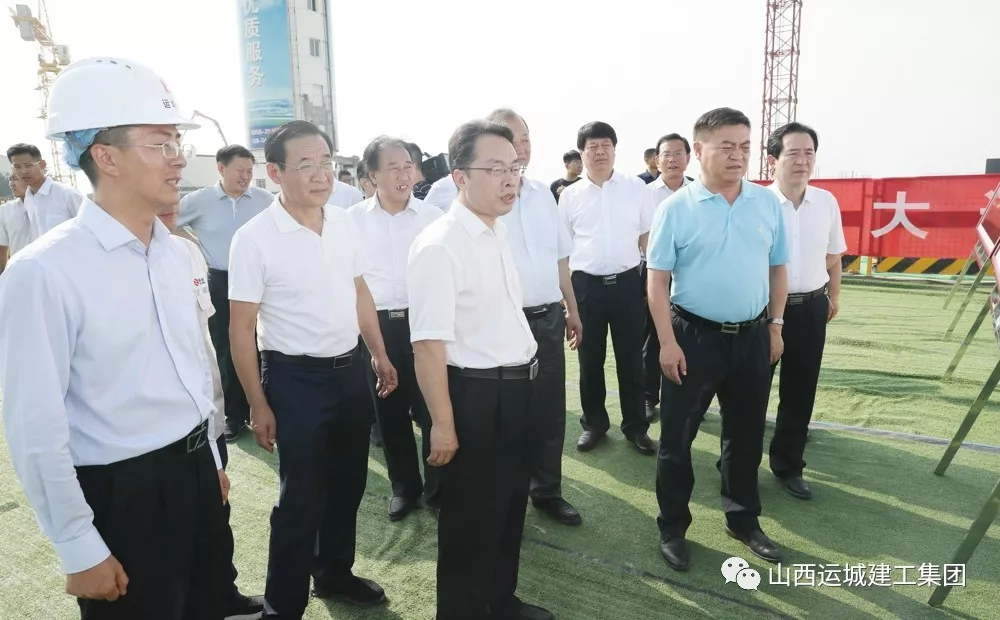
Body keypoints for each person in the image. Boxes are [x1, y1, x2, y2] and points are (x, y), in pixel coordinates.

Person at [0, 56, 228, 619]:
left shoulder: (175, 253)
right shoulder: (43, 272)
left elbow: (190, 368)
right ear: (106, 157)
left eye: (178, 141)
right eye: (160, 143)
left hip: (196, 474)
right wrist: (77, 544)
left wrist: (211, 457)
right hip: (123, 496)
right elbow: (35, 424)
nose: (179, 157)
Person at [228, 120, 397, 619]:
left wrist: (379, 353)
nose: (321, 174)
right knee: (300, 497)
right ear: (275, 172)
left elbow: (359, 292)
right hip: (294, 379)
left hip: (350, 372)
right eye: (306, 165)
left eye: (326, 161)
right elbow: (241, 329)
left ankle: (334, 573)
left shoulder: (343, 222)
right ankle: (282, 606)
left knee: (349, 483)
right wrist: (257, 403)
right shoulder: (254, 239)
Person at [408, 119, 552, 620]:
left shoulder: (495, 230)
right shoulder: (441, 244)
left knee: (509, 508)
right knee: (470, 523)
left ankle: (500, 601)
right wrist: (443, 424)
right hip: (474, 397)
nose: (510, 179)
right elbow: (428, 344)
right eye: (495, 169)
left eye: (514, 168)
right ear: (460, 176)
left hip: (517, 392)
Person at [646, 107, 789, 571]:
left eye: (745, 146)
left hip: (752, 337)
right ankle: (672, 526)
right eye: (726, 146)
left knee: (745, 434)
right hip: (692, 338)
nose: (738, 155)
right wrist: (667, 342)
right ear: (700, 149)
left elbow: (778, 268)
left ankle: (742, 518)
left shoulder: (766, 203)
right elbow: (657, 281)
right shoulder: (675, 208)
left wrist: (775, 326)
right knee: (677, 438)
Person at [157, 202, 265, 619]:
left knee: (216, 514)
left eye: (174, 192)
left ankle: (221, 594)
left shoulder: (187, 252)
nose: (170, 205)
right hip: (161, 426)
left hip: (206, 410)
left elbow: (201, 340)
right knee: (168, 530)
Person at [488, 108, 584, 526]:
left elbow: (560, 258)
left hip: (547, 319)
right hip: (502, 322)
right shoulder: (483, 196)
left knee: (548, 410)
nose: (522, 146)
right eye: (513, 139)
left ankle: (546, 491)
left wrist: (572, 309)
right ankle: (504, 497)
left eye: (526, 138)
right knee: (505, 415)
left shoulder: (545, 194)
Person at [346, 136, 444, 521]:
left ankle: (438, 489)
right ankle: (405, 488)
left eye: (408, 166)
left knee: (433, 407)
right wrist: (375, 348)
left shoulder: (433, 218)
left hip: (425, 324)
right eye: (393, 167)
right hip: (377, 328)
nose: (404, 174)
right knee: (389, 413)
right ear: (372, 175)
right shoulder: (351, 221)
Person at [559, 121, 655, 456]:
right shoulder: (569, 196)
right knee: (590, 360)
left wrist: (654, 283)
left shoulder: (635, 188)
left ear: (615, 149)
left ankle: (635, 427)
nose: (600, 152)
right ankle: (595, 424)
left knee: (632, 359)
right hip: (586, 287)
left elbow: (647, 238)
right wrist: (567, 300)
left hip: (628, 284)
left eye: (606, 145)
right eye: (592, 147)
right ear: (582, 152)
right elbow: (563, 250)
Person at [765, 122, 846, 500]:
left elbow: (834, 254)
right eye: (793, 153)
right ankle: (737, 464)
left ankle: (788, 465)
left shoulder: (826, 202)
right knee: (751, 390)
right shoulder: (756, 203)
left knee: (800, 391)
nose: (802, 161)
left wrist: (833, 295)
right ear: (773, 160)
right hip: (762, 311)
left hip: (810, 309)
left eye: (809, 153)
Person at [176, 144, 273, 442]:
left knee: (265, 344)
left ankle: (268, 409)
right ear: (221, 168)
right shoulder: (199, 201)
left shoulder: (265, 199)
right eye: (239, 170)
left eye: (249, 171)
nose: (246, 177)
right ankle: (234, 415)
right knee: (227, 349)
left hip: (262, 281)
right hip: (221, 281)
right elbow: (165, 220)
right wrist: (196, 244)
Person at [639, 134, 692, 422]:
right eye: (666, 154)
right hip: (654, 273)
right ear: (656, 160)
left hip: (691, 274)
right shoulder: (644, 194)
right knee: (653, 336)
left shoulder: (699, 192)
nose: (672, 159)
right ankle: (649, 396)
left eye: (678, 153)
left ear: (688, 158)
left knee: (690, 332)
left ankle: (689, 391)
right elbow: (638, 234)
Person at [6, 142, 84, 238]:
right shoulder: (29, 198)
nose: (23, 171)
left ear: (42, 164)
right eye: (17, 167)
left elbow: (91, 227)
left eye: (28, 165)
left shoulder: (67, 194)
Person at [0, 175, 31, 272]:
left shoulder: (55, 206)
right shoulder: (5, 210)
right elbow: (2, 249)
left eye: (16, 179)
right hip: (20, 272)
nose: (11, 184)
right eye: (10, 179)